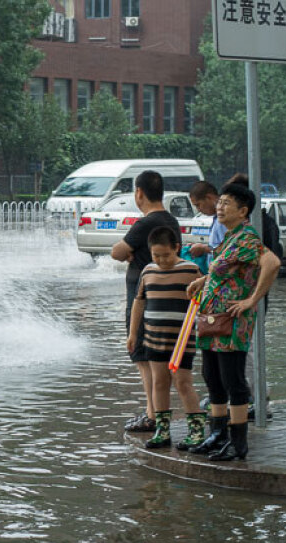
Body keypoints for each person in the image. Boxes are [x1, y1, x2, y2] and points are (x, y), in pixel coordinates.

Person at [185, 177, 282, 461]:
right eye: (220, 202)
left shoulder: (248, 238)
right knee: (212, 377)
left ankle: (238, 443)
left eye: (227, 204)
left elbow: (272, 263)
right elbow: (227, 271)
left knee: (233, 380)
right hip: (211, 318)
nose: (220, 207)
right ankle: (218, 434)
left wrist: (253, 299)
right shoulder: (229, 238)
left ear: (243, 210)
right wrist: (203, 280)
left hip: (232, 322)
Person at [111, 170, 182, 433]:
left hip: (144, 301)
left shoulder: (144, 224)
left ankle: (153, 415)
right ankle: (156, 413)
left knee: (144, 360)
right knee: (156, 362)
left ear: (139, 193)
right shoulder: (170, 221)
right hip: (165, 300)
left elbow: (117, 252)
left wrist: (130, 254)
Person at [127, 226, 206, 449]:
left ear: (177, 248)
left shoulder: (191, 270)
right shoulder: (148, 271)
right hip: (153, 339)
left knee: (183, 382)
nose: (161, 260)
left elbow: (204, 297)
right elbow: (139, 302)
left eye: (166, 255)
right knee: (159, 382)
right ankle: (162, 430)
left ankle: (196, 430)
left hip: (182, 341)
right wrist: (133, 333)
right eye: (156, 255)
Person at [187, 181, 226, 273]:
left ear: (209, 197)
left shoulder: (224, 221)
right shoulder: (217, 219)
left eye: (198, 204)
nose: (198, 209)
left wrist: (203, 249)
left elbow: (228, 251)